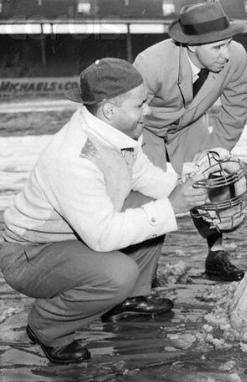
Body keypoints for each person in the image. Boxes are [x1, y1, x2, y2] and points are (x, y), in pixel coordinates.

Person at [0, 58, 208, 364]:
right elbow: (103, 238)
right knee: (117, 273)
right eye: (141, 104)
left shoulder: (112, 132)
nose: (147, 111)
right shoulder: (74, 157)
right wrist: (173, 206)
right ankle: (47, 327)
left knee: (152, 206)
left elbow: (151, 181)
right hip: (30, 254)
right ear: (109, 110)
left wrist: (198, 188)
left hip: (72, 237)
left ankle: (127, 301)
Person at [131, 0, 247, 282]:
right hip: (147, 129)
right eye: (217, 47)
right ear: (192, 45)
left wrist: (214, 153)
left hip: (191, 124)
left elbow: (235, 110)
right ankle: (143, 273)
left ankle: (217, 254)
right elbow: (129, 116)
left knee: (213, 182)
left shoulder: (237, 56)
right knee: (149, 194)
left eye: (228, 43)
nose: (226, 54)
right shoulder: (150, 63)